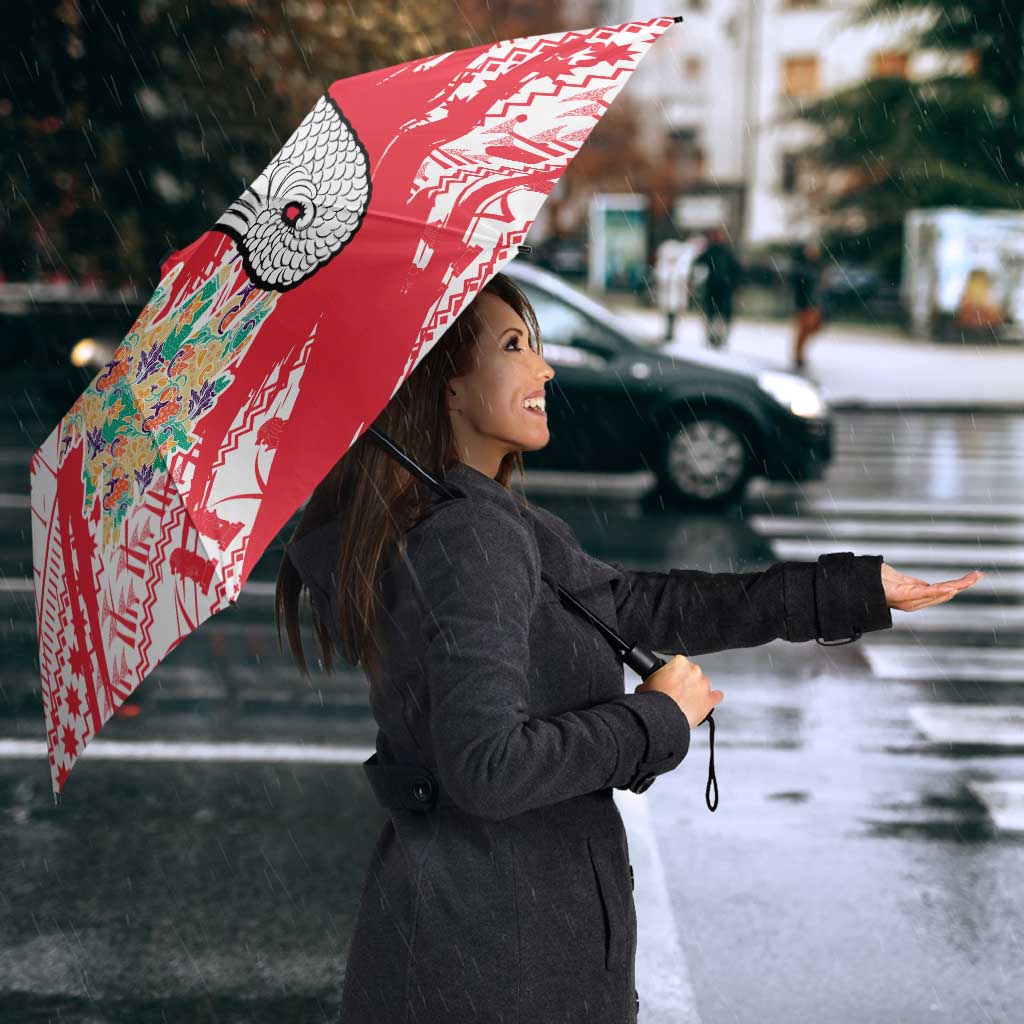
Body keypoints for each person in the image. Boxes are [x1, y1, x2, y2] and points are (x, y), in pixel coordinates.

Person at [275, 271, 969, 1024]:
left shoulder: (470, 517)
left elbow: (637, 605)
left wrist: (849, 591)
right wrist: (657, 719)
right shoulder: (469, 537)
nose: (543, 367)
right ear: (445, 385)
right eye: (514, 346)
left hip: (474, 942)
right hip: (501, 961)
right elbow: (488, 768)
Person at [692, 226, 742, 349]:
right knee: (713, 314)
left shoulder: (725, 252)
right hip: (715, 288)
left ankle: (719, 337)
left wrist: (735, 284)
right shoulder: (712, 251)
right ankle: (713, 337)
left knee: (720, 315)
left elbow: (736, 270)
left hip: (723, 288)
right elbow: (698, 264)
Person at [790, 239, 826, 370]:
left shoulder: (817, 266)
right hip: (805, 303)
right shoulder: (802, 267)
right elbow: (799, 286)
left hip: (814, 303)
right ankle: (798, 355)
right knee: (804, 329)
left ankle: (799, 354)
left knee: (812, 328)